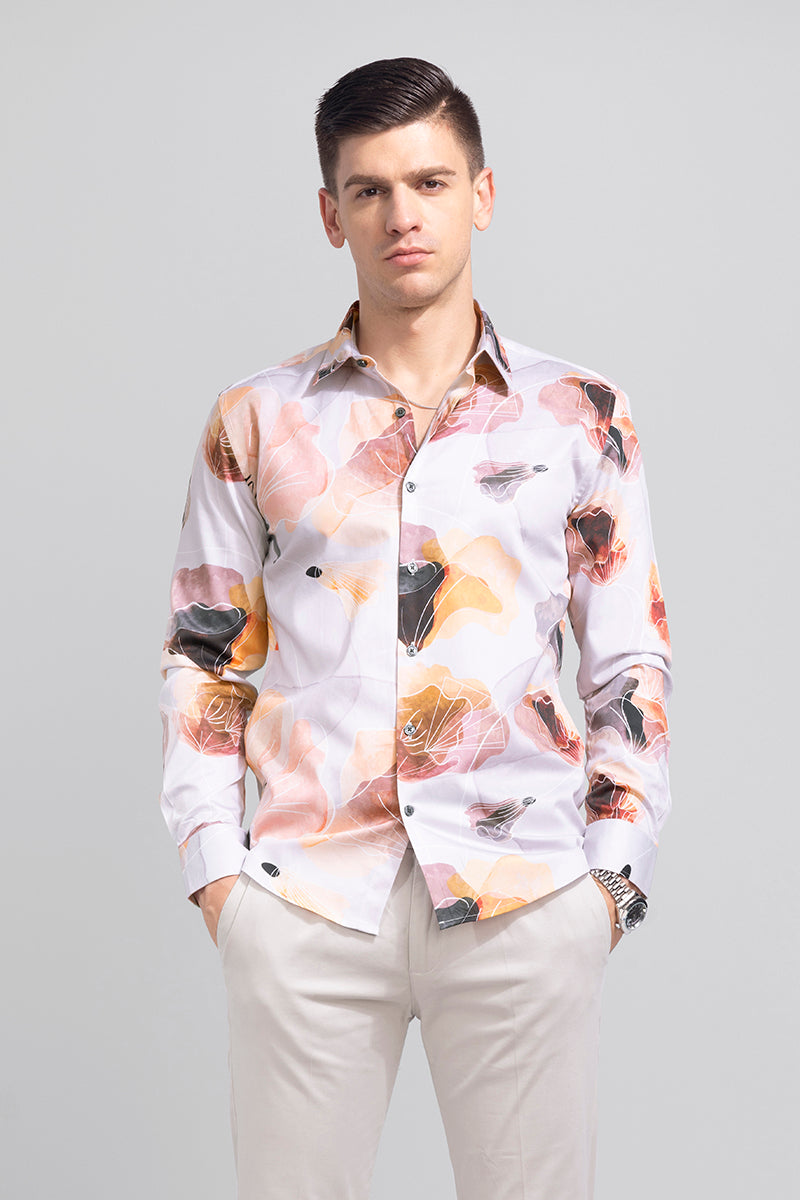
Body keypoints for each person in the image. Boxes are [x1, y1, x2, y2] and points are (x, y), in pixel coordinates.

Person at [158, 56, 672, 1200]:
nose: (403, 215)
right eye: (370, 189)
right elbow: (203, 657)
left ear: (481, 194)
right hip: (304, 899)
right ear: (329, 213)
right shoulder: (256, 419)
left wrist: (612, 881)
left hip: (523, 895)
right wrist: (216, 879)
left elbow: (627, 660)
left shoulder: (580, 415)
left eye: (430, 182)